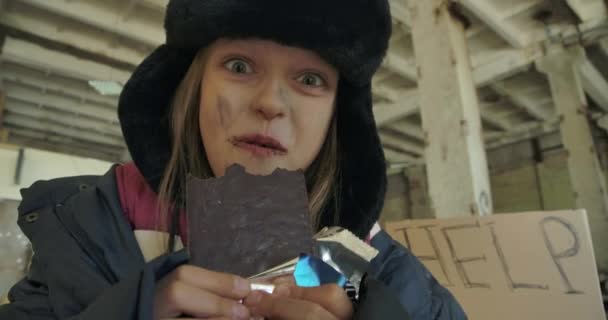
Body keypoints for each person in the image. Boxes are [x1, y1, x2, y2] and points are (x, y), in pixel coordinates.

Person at [0, 0, 467, 319]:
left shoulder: (368, 262)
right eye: (240, 66)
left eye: (310, 79)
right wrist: (132, 309)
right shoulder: (95, 228)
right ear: (193, 87)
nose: (271, 102)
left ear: (337, 116)